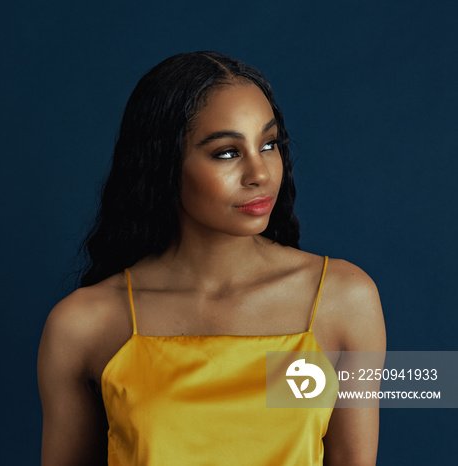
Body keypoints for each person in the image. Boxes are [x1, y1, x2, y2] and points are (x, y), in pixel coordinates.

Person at [37, 51, 386, 465]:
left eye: (269, 144)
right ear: (163, 164)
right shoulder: (84, 325)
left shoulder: (343, 301)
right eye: (226, 152)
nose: (260, 173)